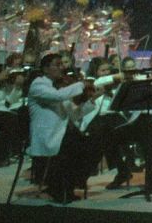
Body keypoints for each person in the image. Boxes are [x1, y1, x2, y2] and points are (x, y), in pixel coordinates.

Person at [28, 52, 99, 204]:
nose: (62, 68)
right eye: (57, 65)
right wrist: (81, 84)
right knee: (72, 146)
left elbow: (75, 114)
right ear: (46, 69)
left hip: (62, 133)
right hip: (47, 135)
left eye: (62, 64)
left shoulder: (61, 87)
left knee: (94, 146)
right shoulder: (38, 84)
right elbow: (57, 96)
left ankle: (70, 185)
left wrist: (91, 100)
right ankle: (59, 188)